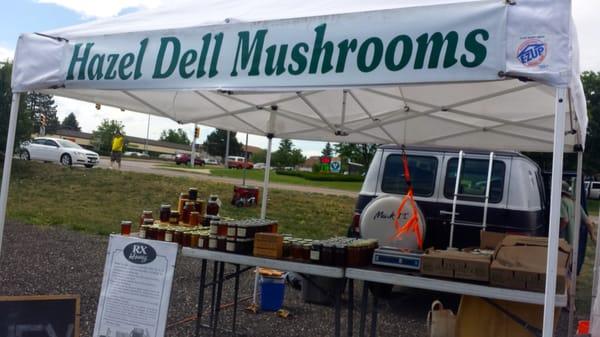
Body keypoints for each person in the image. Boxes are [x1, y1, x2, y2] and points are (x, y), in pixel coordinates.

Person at [560, 181, 596, 260]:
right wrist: (593, 237)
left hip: (562, 242)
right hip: (573, 241)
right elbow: (589, 223)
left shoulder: (561, 202)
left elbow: (565, 220)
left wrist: (557, 231)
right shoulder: (575, 203)